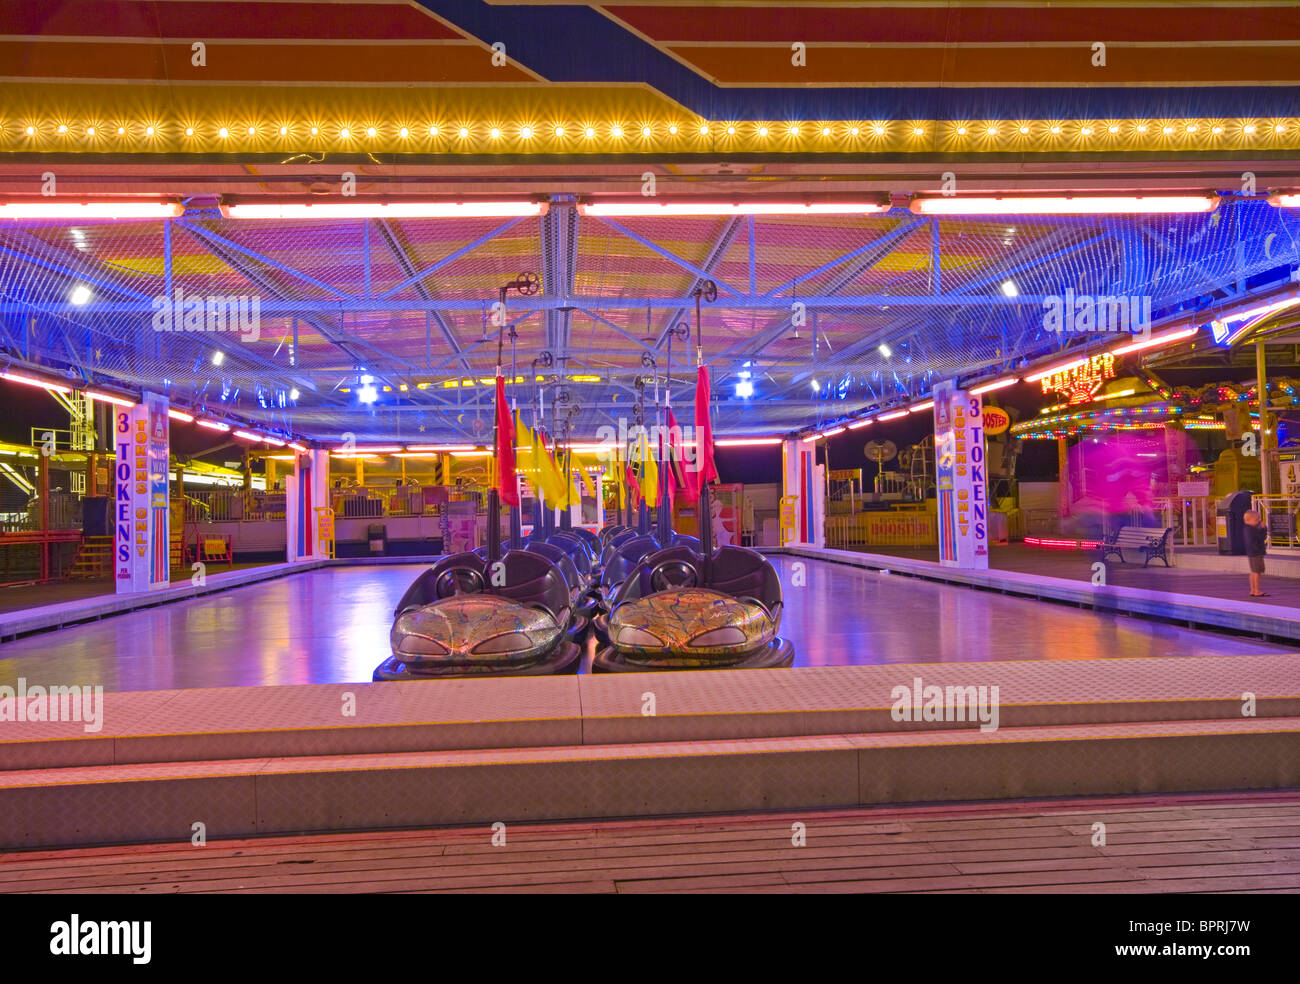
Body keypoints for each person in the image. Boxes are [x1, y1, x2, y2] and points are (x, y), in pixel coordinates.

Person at [1243, 509, 1268, 597]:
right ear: (1249, 520)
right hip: (1256, 552)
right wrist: (1264, 529)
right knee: (1257, 572)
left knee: (1253, 571)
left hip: (1251, 552)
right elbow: (1260, 538)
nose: (1258, 522)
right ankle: (1257, 590)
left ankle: (1252, 590)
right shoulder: (1252, 530)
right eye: (1256, 520)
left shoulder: (1247, 529)